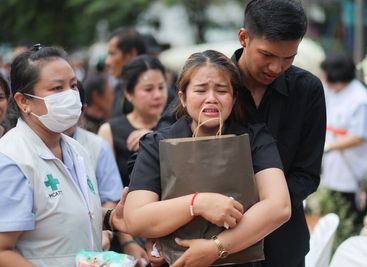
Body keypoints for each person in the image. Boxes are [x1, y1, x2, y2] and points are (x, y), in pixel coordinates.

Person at [156, 1, 326, 266]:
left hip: (281, 242)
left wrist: (255, 210)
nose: (276, 67)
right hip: (202, 235)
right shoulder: (210, 84)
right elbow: (161, 152)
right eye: (267, 55)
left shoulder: (308, 91)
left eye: (288, 58)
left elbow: (307, 174)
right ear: (244, 37)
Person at [124, 50, 291, 267]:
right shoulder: (157, 144)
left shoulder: (254, 138)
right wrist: (198, 203)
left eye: (221, 90)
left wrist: (217, 247)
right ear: (183, 97)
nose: (211, 98)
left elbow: (279, 206)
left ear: (234, 97)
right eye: (201, 90)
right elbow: (135, 218)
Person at [0, 45, 127, 266]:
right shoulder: (12, 159)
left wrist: (108, 218)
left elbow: (63, 215)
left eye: (73, 86)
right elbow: (3, 250)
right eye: (57, 89)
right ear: (23, 101)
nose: (70, 96)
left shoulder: (76, 149)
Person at [98, 54, 168, 260]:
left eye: (161, 87)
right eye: (148, 89)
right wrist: (127, 241)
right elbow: (109, 192)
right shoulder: (110, 130)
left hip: (168, 228)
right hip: (127, 232)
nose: (157, 95)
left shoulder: (175, 127)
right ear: (128, 93)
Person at [321, 53, 367, 228]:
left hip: (356, 176)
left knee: (352, 221)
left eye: (324, 73)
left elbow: (360, 135)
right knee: (338, 215)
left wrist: (329, 146)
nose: (322, 78)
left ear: (335, 74)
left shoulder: (361, 101)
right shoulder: (337, 92)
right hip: (338, 172)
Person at [105, 27, 146, 118]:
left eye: (112, 54)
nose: (107, 62)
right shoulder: (120, 87)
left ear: (131, 54)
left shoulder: (156, 95)